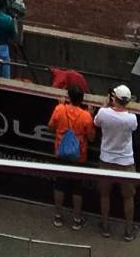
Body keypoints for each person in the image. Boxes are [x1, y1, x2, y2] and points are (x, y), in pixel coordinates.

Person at [93, 83, 140, 240]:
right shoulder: (131, 119)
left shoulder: (103, 113)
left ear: (115, 98)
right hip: (126, 163)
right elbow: (133, 127)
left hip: (106, 161)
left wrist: (106, 105)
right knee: (128, 197)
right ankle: (128, 230)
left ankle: (105, 226)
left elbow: (96, 123)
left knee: (104, 195)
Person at [47, 84, 95, 229]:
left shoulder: (60, 109)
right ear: (82, 99)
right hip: (78, 156)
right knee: (77, 188)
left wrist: (61, 107)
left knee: (59, 184)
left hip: (61, 153)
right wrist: (91, 116)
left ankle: (58, 217)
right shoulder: (86, 116)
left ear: (68, 97)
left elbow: (50, 126)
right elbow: (92, 138)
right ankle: (77, 219)